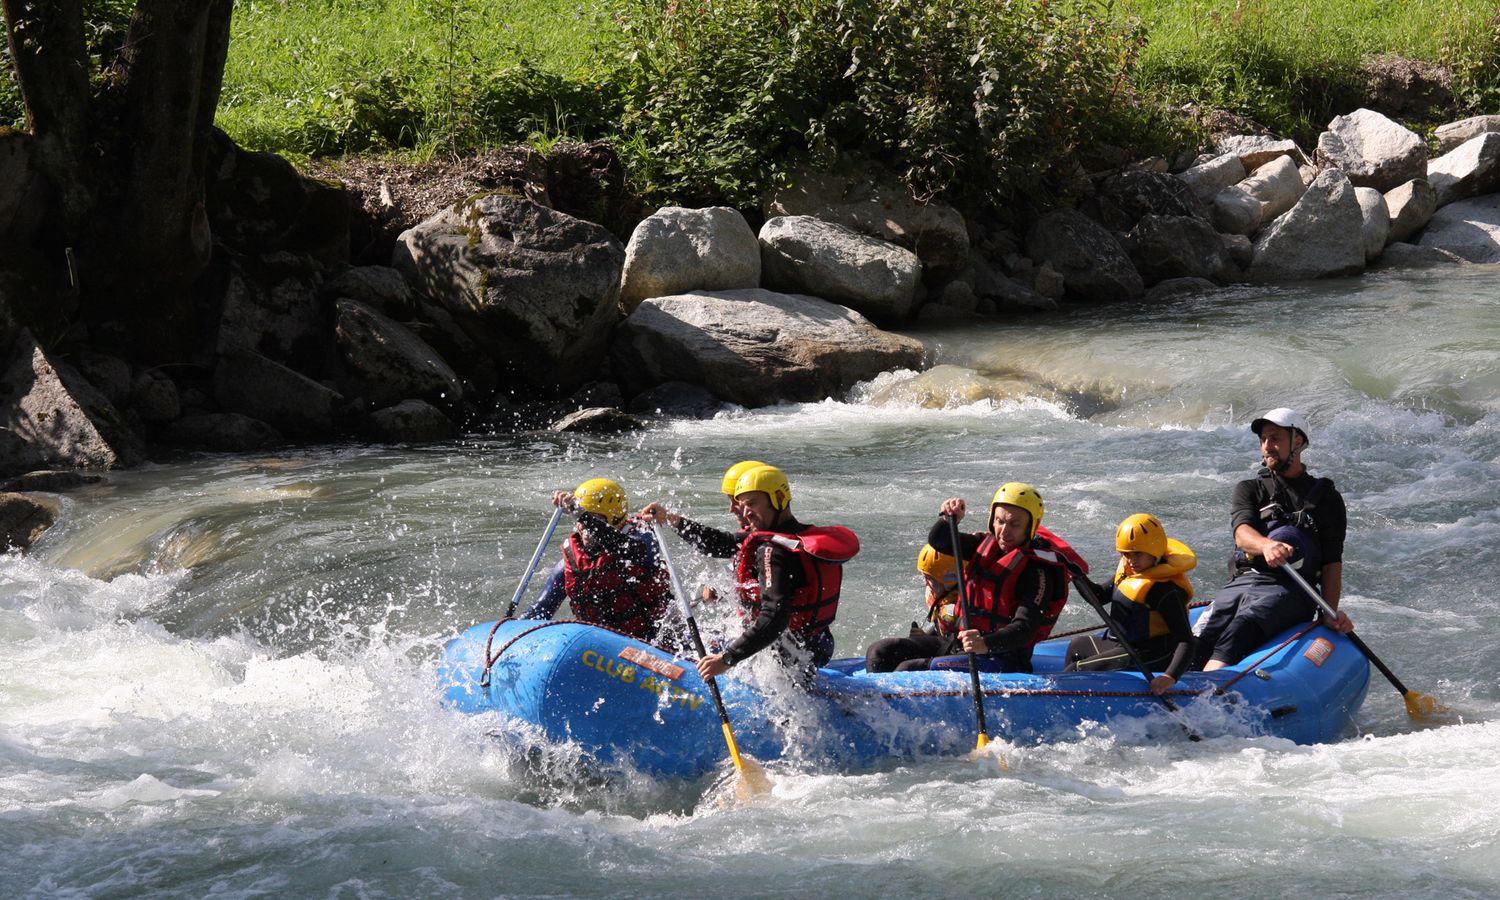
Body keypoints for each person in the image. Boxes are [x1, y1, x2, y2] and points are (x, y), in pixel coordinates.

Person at [1192, 408, 1354, 671]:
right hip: (1242, 582)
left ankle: (1204, 691)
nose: (1268, 446)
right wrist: (1266, 545)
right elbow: (1242, 534)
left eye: (1275, 438)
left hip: (1291, 589)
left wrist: (1328, 612)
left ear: (1297, 441)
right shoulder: (1249, 489)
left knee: (1239, 629)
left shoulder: (1327, 498)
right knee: (1198, 639)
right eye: (1264, 440)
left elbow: (1332, 562)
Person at [689, 465, 859, 683]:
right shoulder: (799, 538)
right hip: (817, 648)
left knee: (699, 646)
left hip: (785, 659)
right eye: (742, 505)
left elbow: (774, 618)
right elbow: (724, 544)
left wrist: (727, 659)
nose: (745, 512)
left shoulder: (772, 550)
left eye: (751, 504)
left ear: (778, 498)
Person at [898, 482, 1082, 673]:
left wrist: (984, 643)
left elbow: (1024, 629)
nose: (1004, 531)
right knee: (881, 651)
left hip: (1004, 659)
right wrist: (948, 518)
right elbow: (940, 540)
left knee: (907, 668)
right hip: (961, 646)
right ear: (992, 521)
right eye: (1000, 521)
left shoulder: (1038, 571)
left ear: (1031, 527)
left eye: (1015, 524)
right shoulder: (982, 546)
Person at [521, 477, 673, 645]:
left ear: (615, 519)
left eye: (595, 519)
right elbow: (538, 614)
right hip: (602, 649)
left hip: (659, 641)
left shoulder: (643, 541)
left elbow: (626, 548)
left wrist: (581, 514)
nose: (584, 528)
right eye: (580, 519)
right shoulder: (570, 564)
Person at [1065, 513, 1197, 694]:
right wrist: (1076, 574)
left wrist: (1169, 678)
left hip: (1151, 652)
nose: (1131, 560)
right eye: (1126, 554)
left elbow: (1186, 640)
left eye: (1138, 554)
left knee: (1077, 671)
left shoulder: (1165, 590)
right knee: (1076, 646)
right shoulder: (1130, 571)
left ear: (1155, 551)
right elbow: (1099, 597)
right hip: (1123, 643)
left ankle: (1070, 700)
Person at [640, 459, 766, 561]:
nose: (731, 509)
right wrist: (669, 518)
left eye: (737, 502)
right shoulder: (755, 533)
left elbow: (721, 543)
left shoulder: (770, 543)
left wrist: (674, 521)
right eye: (730, 501)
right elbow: (723, 544)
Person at [864, 543, 961, 673]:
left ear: (948, 581)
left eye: (929, 578)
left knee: (905, 668)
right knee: (879, 650)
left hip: (961, 651)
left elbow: (961, 636)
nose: (925, 583)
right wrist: (926, 635)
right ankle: (874, 690)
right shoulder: (941, 595)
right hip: (945, 643)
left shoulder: (967, 602)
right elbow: (945, 626)